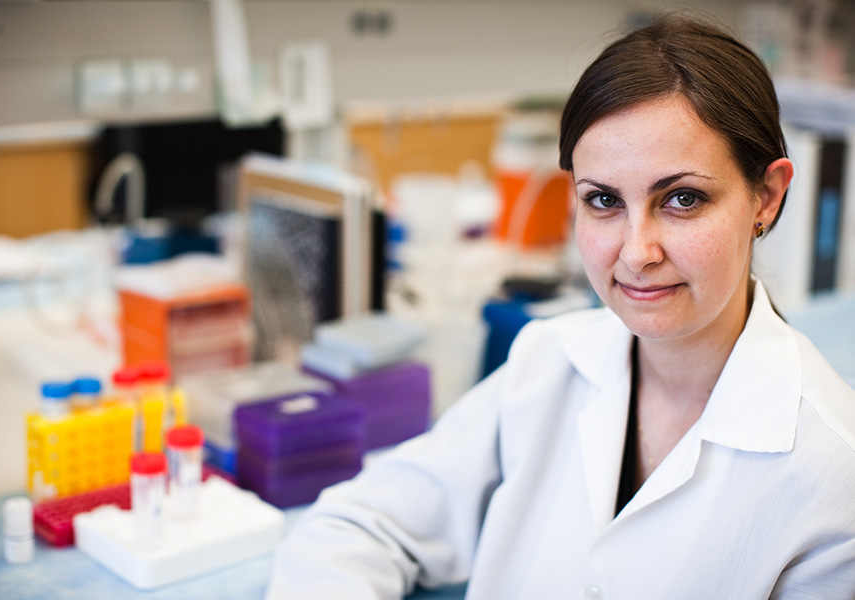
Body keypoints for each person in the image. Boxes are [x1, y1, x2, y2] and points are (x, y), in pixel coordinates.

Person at [266, 13, 855, 600]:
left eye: (682, 198)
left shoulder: (831, 473)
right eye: (603, 200)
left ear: (767, 197)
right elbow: (358, 525)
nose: (636, 252)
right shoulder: (549, 362)